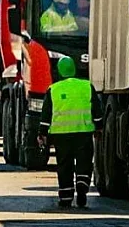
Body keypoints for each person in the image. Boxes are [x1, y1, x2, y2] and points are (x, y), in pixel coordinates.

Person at [38, 56, 103, 208]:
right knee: (84, 162)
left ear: (59, 71)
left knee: (64, 165)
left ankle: (66, 197)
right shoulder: (87, 86)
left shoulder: (53, 89)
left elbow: (46, 115)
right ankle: (82, 186)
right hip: (83, 133)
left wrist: (42, 133)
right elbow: (97, 110)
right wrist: (99, 127)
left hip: (61, 136)